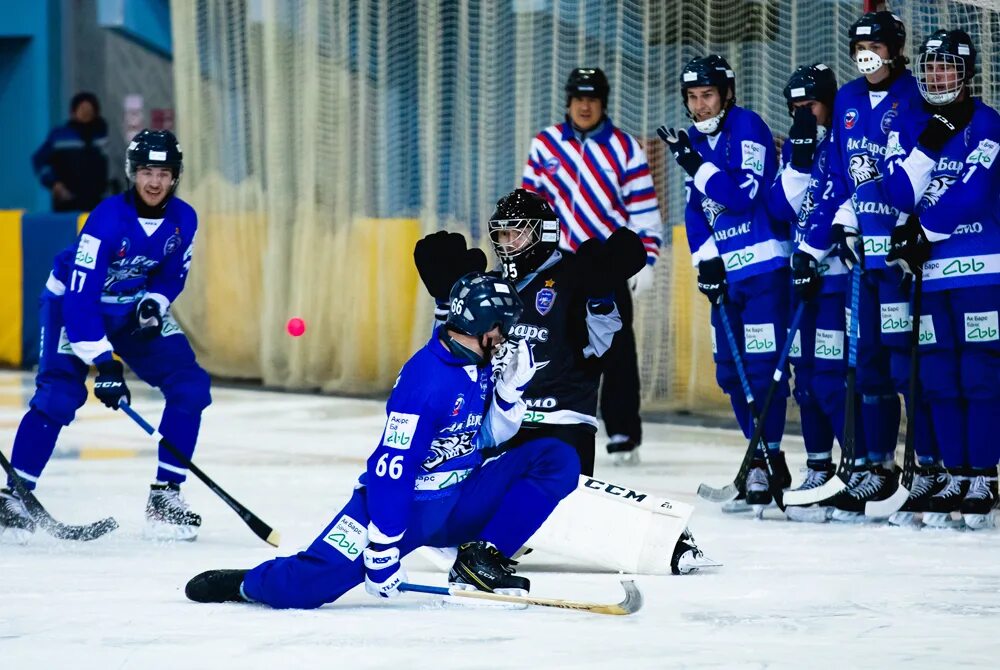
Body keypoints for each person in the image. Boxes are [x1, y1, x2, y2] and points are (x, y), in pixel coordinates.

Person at [185, 272, 585, 607]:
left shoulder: (477, 363)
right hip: (406, 509)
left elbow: (484, 439)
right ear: (485, 328)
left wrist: (508, 394)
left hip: (461, 497)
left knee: (556, 459)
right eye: (504, 327)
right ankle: (247, 583)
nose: (507, 337)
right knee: (307, 587)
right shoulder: (426, 383)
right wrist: (382, 546)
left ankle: (481, 558)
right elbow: (392, 468)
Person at [413, 189, 715, 575]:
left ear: (544, 233)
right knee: (449, 470)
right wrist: (446, 302)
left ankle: (666, 538)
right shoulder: (489, 283)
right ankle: (471, 534)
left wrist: (603, 294)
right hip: (500, 425)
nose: (507, 244)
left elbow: (601, 346)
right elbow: (455, 359)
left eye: (517, 234)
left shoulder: (580, 274)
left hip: (561, 425)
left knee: (553, 499)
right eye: (502, 235)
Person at [0, 129, 209, 543]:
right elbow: (80, 299)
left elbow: (172, 275)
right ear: (133, 173)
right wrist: (105, 363)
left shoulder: (184, 219)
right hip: (75, 307)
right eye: (147, 171)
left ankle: (165, 496)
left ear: (175, 177)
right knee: (60, 397)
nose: (154, 182)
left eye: (164, 173)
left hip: (130, 307)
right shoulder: (107, 220)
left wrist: (154, 303)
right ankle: (13, 498)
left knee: (191, 388)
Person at [801, 11, 928, 520]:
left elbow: (926, 167)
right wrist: (843, 221)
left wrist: (909, 229)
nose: (867, 52)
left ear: (895, 48)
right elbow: (839, 169)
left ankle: (929, 469)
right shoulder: (849, 98)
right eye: (859, 45)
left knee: (907, 365)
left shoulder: (917, 95)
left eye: (876, 43)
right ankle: (875, 469)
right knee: (868, 363)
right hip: (862, 256)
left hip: (902, 256)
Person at [658, 55, 792, 515]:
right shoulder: (694, 141)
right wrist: (706, 261)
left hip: (764, 272)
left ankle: (768, 458)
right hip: (726, 277)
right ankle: (760, 457)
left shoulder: (747, 126)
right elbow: (697, 211)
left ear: (727, 94)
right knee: (730, 374)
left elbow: (742, 195)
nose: (699, 106)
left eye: (707, 95)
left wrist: (695, 163)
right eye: (692, 98)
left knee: (760, 369)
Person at [880, 29, 1000, 530]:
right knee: (938, 378)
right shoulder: (908, 122)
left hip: (980, 271)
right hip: (930, 274)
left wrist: (924, 232)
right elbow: (898, 192)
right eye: (930, 67)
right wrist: (929, 143)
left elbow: (972, 193)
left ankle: (985, 475)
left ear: (967, 72)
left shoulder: (987, 122)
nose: (936, 75)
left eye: (947, 66)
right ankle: (955, 472)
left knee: (979, 374)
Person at [521, 67, 663, 464]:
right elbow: (527, 206)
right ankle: (542, 419)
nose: (585, 105)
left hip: (605, 267)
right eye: (579, 98)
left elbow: (645, 211)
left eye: (593, 98)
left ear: (603, 102)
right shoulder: (545, 145)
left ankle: (622, 433)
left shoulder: (624, 148)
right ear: (568, 100)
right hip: (554, 267)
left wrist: (645, 260)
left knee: (615, 349)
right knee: (550, 343)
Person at [765, 64, 850, 511]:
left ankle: (859, 468)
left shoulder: (842, 144)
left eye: (810, 107)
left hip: (836, 280)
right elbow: (780, 207)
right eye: (795, 109)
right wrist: (797, 160)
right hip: (803, 285)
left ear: (830, 104)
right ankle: (819, 465)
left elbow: (839, 204)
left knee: (834, 379)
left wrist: (814, 254)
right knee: (808, 382)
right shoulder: (798, 150)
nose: (803, 116)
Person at [31, 91, 110, 212]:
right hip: (67, 201)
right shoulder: (60, 136)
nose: (86, 112)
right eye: (82, 108)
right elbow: (39, 161)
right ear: (73, 111)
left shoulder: (100, 135)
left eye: (89, 109)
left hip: (96, 201)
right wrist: (54, 184)